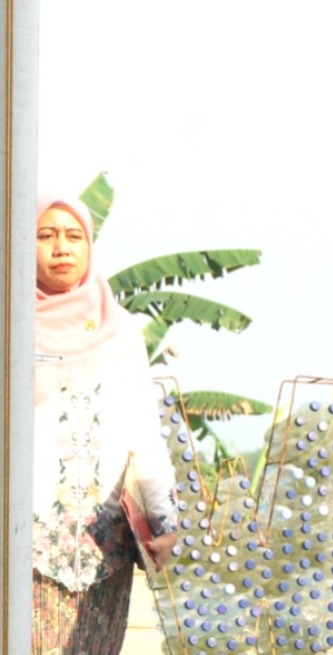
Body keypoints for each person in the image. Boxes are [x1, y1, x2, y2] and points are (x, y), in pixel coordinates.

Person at [32, 194, 179, 655]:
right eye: (45, 235)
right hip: (22, 545)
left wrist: (163, 521)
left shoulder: (120, 333)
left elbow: (144, 435)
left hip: (105, 551)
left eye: (74, 236)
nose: (61, 248)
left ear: (89, 246)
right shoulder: (9, 326)